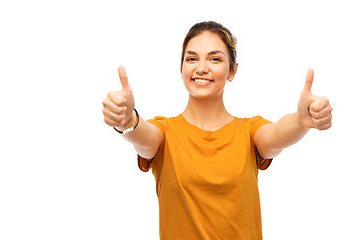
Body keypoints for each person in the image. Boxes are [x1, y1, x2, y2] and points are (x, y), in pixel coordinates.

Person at [102, 21, 333, 240]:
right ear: (181, 68)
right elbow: (143, 135)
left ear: (232, 71)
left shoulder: (249, 131)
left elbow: (276, 136)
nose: (201, 68)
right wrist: (126, 120)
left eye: (214, 59)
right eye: (192, 58)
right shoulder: (164, 132)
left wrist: (302, 120)